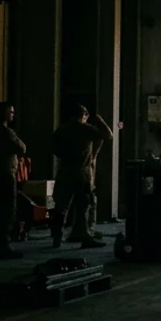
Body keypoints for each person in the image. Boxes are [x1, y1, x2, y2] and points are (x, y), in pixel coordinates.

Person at [50, 105, 112, 249]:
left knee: (61, 205)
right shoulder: (86, 129)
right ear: (84, 115)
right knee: (83, 205)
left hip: (65, 170)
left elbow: (55, 148)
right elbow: (108, 135)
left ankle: (57, 237)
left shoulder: (62, 129)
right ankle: (85, 235)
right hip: (82, 172)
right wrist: (100, 120)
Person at [0, 102, 26, 259]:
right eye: (11, 112)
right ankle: (3, 244)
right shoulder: (6, 132)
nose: (13, 114)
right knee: (6, 211)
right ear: (3, 113)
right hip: (6, 175)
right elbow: (22, 148)